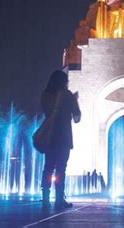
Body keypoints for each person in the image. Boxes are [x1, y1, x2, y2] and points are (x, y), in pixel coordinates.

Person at [41, 70, 81, 210]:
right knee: (60, 169)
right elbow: (77, 118)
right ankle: (59, 199)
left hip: (50, 136)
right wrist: (75, 100)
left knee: (48, 168)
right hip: (63, 136)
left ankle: (45, 198)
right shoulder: (67, 95)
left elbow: (47, 113)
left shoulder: (45, 95)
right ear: (64, 82)